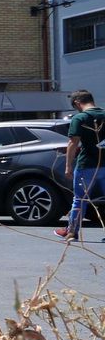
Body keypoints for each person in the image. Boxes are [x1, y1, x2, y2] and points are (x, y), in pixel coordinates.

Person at [56, 89, 105, 241]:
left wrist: (68, 166)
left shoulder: (80, 118)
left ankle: (72, 232)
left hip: (86, 166)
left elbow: (73, 142)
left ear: (78, 103)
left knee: (80, 199)